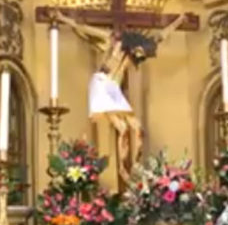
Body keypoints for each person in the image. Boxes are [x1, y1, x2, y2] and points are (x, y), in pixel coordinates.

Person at [55, 11, 186, 188]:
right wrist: (63, 18)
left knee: (138, 129)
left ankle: (135, 165)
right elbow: (84, 28)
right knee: (123, 128)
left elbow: (160, 36)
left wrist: (178, 20)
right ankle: (123, 169)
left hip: (114, 89)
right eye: (139, 52)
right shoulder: (113, 41)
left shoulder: (138, 50)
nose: (139, 56)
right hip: (102, 84)